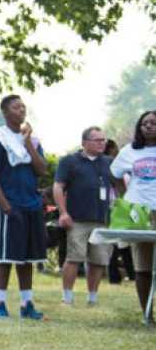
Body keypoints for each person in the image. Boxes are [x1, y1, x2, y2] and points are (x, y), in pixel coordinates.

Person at [0, 94, 51, 320]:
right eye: (16, 107)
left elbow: (42, 170)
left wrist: (28, 144)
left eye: (23, 106)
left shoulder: (32, 140)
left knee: (27, 258)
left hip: (31, 204)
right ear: (5, 112)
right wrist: (5, 205)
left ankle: (26, 304)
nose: (21, 110)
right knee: (4, 256)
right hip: (10, 205)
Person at [53, 126, 115, 306]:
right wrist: (63, 213)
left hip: (102, 221)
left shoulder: (109, 162)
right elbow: (58, 187)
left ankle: (92, 298)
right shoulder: (69, 161)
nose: (102, 143)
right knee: (74, 258)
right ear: (85, 142)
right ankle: (67, 297)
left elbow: (120, 185)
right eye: (97, 140)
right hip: (77, 219)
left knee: (98, 261)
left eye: (103, 140)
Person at [109, 110, 156, 315]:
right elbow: (115, 173)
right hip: (140, 212)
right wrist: (124, 195)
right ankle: (147, 313)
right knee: (143, 265)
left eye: (153, 123)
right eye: (144, 123)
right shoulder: (130, 151)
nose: (148, 126)